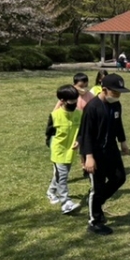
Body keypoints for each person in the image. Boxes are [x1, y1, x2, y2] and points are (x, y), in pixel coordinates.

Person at [78, 74, 130, 235]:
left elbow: (118, 123)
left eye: (119, 92)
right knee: (97, 186)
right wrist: (88, 157)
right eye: (115, 92)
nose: (117, 95)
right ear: (104, 89)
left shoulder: (116, 104)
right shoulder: (92, 107)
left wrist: (122, 141)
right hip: (95, 153)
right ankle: (94, 221)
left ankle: (96, 202)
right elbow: (85, 134)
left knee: (119, 177)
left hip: (111, 149)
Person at [45, 85, 82, 214]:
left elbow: (81, 131)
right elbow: (49, 133)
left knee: (60, 174)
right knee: (63, 176)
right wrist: (52, 146)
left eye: (76, 100)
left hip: (71, 151)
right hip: (58, 150)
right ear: (62, 100)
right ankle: (66, 202)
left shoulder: (79, 114)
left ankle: (51, 192)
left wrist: (79, 140)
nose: (74, 103)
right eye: (71, 100)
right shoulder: (55, 115)